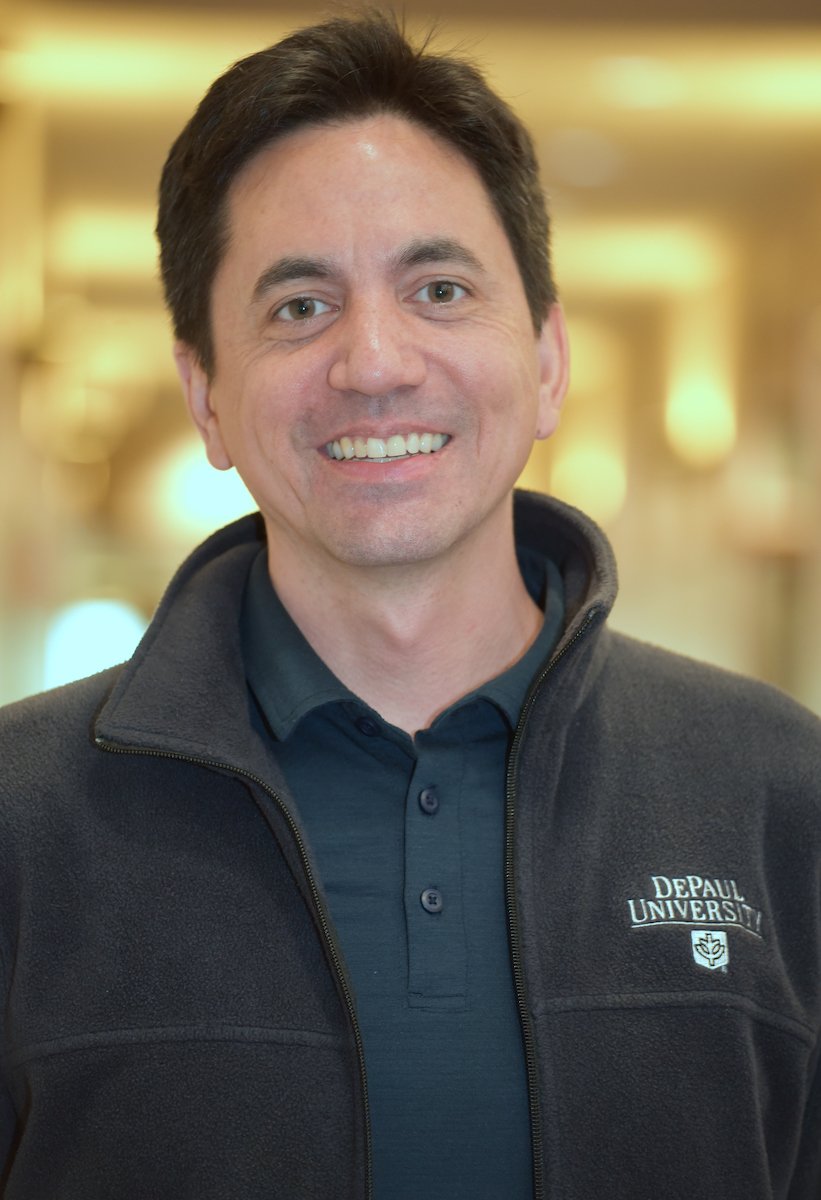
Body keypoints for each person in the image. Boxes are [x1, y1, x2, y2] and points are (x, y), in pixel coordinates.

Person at [0, 12, 819, 1199]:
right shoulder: (23, 822)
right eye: (298, 306)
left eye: (438, 289)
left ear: (545, 361)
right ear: (207, 395)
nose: (374, 363)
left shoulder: (776, 793)